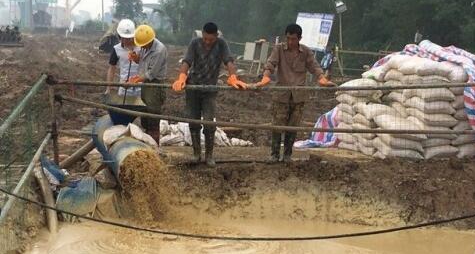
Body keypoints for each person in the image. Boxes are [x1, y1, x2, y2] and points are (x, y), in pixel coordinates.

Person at [172, 22, 248, 167]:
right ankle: (196, 154)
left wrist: (233, 77)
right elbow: (187, 61)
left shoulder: (221, 44)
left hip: (210, 90)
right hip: (193, 87)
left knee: (209, 122)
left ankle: (209, 156)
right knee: (193, 121)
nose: (207, 42)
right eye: (205, 39)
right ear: (202, 34)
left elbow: (229, 61)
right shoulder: (195, 43)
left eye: (210, 40)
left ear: (216, 36)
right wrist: (182, 76)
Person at [256, 24, 335, 163]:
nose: (290, 42)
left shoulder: (306, 52)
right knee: (278, 125)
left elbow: (314, 67)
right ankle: (274, 155)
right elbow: (270, 64)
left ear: (299, 38)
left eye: (293, 39)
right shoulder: (279, 49)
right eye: (288, 38)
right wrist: (266, 76)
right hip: (281, 94)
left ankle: (287, 155)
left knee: (292, 126)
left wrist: (321, 78)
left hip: (298, 96)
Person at [128, 24, 168, 145]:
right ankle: (146, 140)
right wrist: (135, 58)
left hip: (155, 84)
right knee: (145, 113)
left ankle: (154, 144)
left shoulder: (159, 50)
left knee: (153, 114)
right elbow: (142, 60)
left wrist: (137, 80)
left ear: (149, 41)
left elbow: (151, 73)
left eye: (143, 44)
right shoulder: (144, 47)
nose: (141, 47)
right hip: (145, 84)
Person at [105, 19, 140, 99]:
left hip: (140, 88)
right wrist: (108, 88)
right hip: (124, 88)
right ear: (119, 36)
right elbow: (112, 69)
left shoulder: (141, 47)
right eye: (123, 38)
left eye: (128, 38)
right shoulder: (116, 49)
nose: (125, 40)